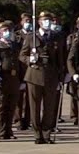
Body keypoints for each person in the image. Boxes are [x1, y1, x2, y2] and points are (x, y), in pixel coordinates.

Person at [21, 10, 64, 144]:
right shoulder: (31, 37)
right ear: (39, 22)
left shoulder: (56, 37)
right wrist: (30, 59)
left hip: (51, 75)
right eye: (45, 20)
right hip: (34, 75)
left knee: (49, 107)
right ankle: (37, 134)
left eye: (49, 20)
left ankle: (47, 133)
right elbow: (21, 55)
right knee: (34, 107)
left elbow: (60, 59)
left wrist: (61, 76)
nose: (48, 22)